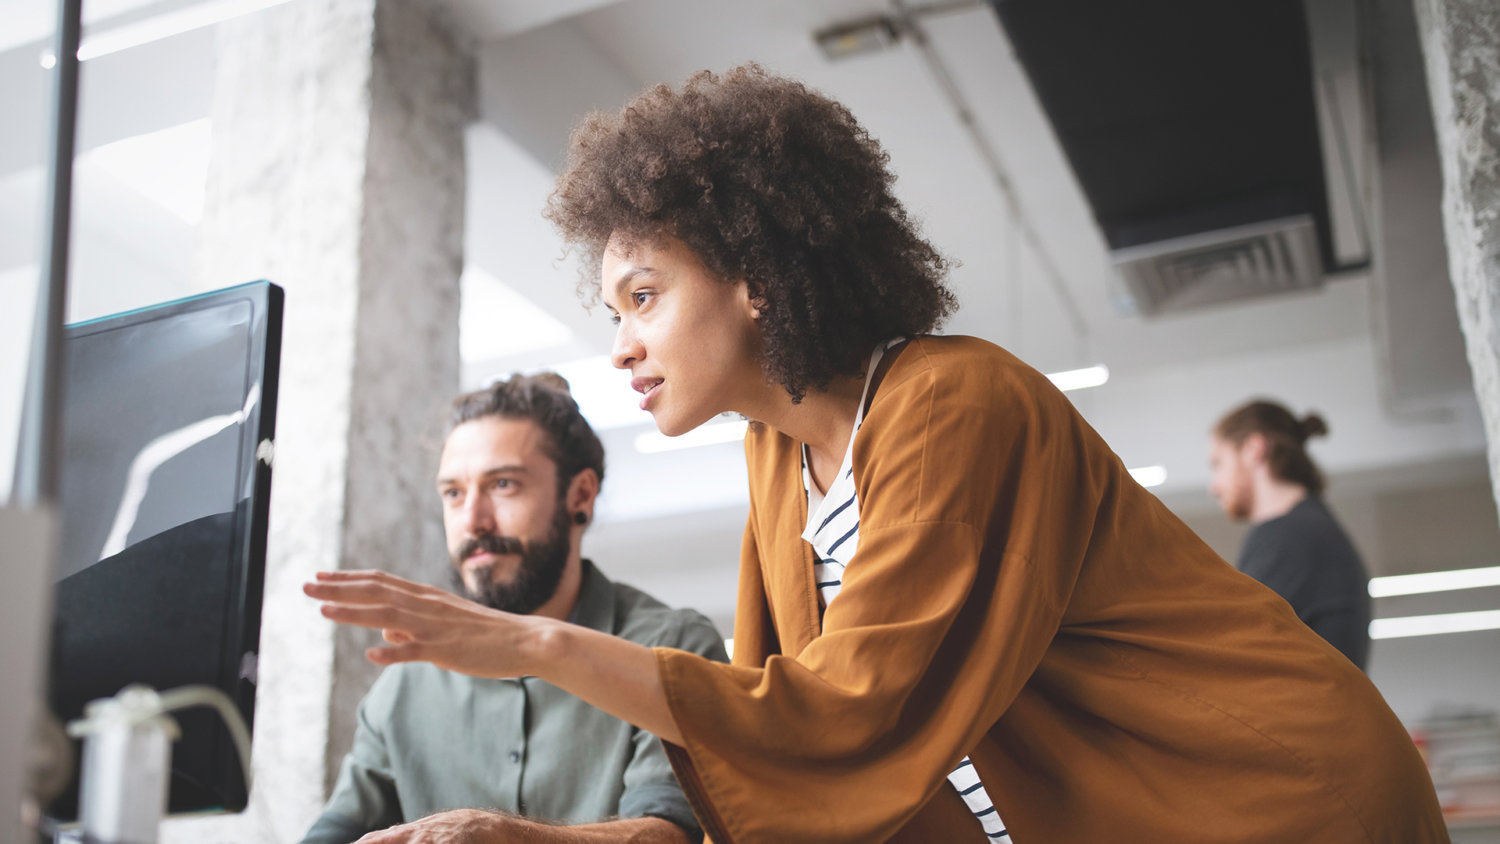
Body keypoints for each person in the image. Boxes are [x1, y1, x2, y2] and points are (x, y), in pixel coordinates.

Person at [307, 66, 1447, 842]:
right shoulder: (773, 457)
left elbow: (847, 714)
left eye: (644, 295)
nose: (623, 348)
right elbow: (786, 751)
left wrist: (539, 643)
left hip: (1269, 801)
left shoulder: (957, 403)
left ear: (754, 274)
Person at [299, 373, 726, 844]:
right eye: (454, 493)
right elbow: (335, 832)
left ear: (580, 495)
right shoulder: (405, 681)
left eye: (503, 484)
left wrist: (504, 836)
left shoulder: (672, 646)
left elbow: (670, 835)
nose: (474, 521)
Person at [1209, 400, 1372, 669]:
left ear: (1253, 449)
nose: (1213, 487)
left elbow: (1233, 654)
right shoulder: (1310, 530)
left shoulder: (1288, 536)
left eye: (1218, 464)